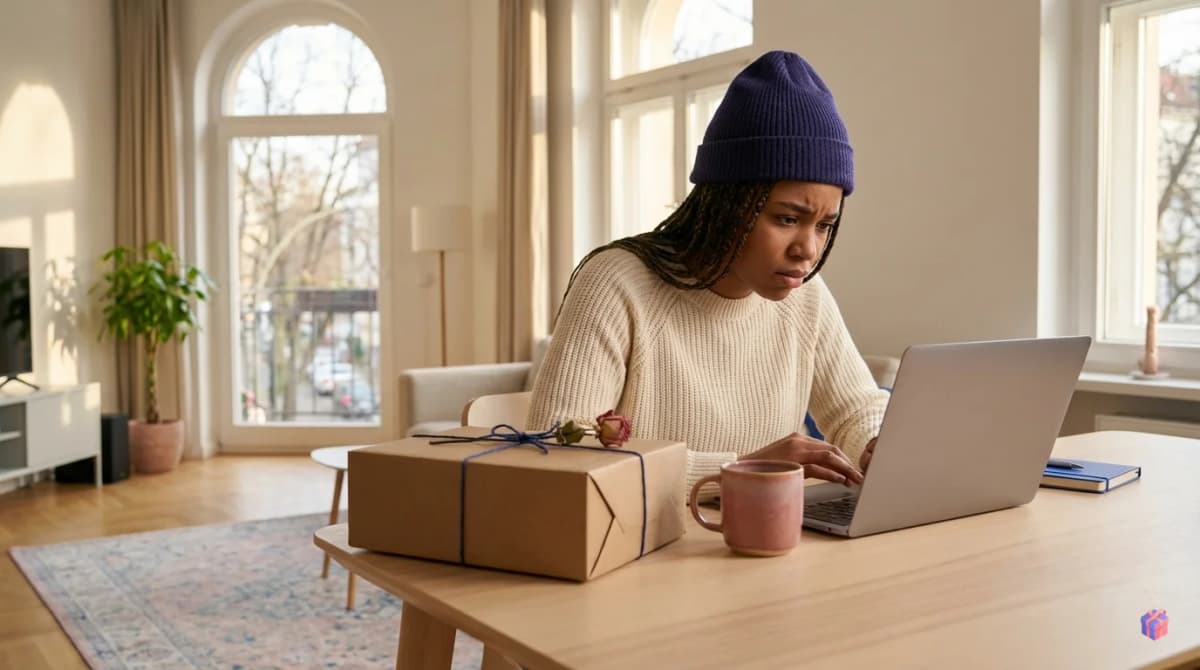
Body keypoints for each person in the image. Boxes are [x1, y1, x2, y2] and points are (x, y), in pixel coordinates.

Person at [526, 50, 889, 496]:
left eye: (824, 225)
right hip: (647, 551)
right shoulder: (617, 284)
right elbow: (557, 447)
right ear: (727, 205)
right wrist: (740, 469)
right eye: (787, 219)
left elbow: (855, 410)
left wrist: (875, 445)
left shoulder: (806, 297)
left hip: (768, 544)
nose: (807, 250)